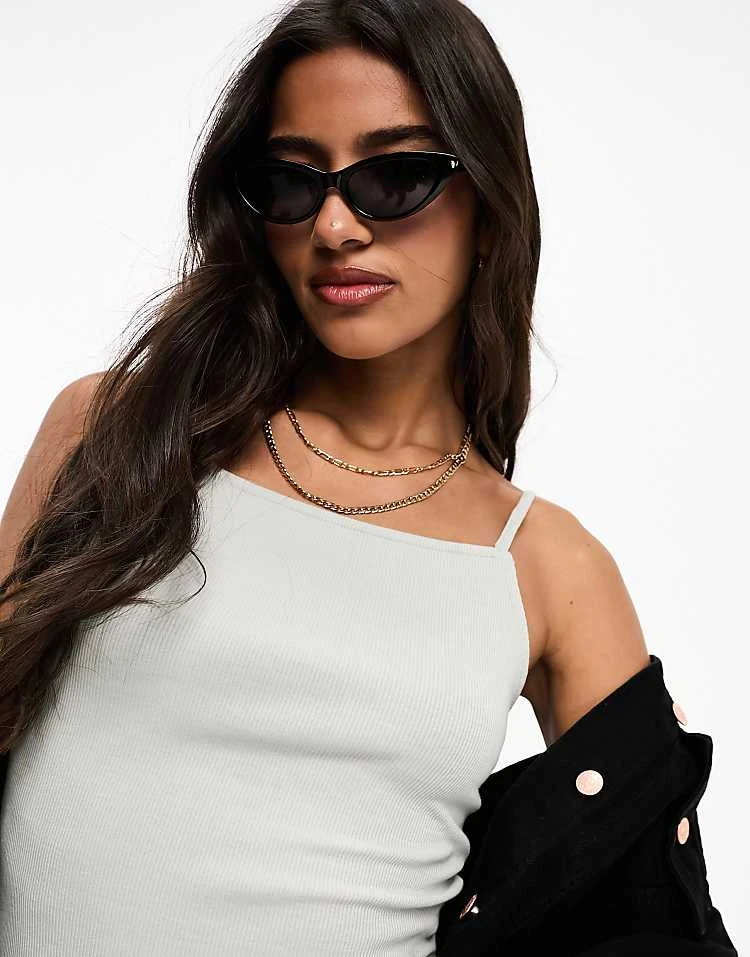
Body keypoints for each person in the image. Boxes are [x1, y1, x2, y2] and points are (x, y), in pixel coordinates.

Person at [0, 1, 737, 955]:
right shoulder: (115, 431)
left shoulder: (545, 565)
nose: (336, 224)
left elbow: (653, 922)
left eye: (395, 176)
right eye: (294, 182)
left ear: (490, 203)